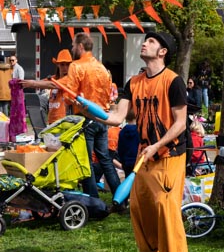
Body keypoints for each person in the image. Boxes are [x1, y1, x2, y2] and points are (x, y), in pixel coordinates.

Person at [87, 31, 189, 252]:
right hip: (144, 156)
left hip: (169, 154)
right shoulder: (134, 82)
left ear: (163, 51)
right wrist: (87, 110)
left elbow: (180, 123)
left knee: (166, 210)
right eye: (146, 40)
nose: (145, 43)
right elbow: (117, 117)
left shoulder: (173, 81)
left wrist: (157, 144)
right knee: (139, 208)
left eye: (152, 41)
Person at [63, 32, 121, 200]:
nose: (72, 48)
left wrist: (70, 101)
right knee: (105, 159)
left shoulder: (76, 66)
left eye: (73, 45)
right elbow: (110, 94)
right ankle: (119, 197)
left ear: (80, 46)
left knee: (85, 160)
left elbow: (69, 96)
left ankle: (92, 199)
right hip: (102, 118)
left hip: (85, 118)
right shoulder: (102, 67)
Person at [20, 49, 73, 124]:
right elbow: (43, 82)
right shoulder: (54, 78)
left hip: (63, 121)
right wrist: (23, 83)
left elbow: (52, 84)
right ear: (58, 65)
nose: (65, 67)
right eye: (62, 64)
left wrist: (32, 84)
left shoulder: (69, 79)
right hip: (52, 120)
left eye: (67, 64)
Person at [117, 109, 139, 178]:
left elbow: (120, 148)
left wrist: (122, 161)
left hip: (126, 162)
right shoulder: (139, 131)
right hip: (138, 161)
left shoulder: (122, 131)